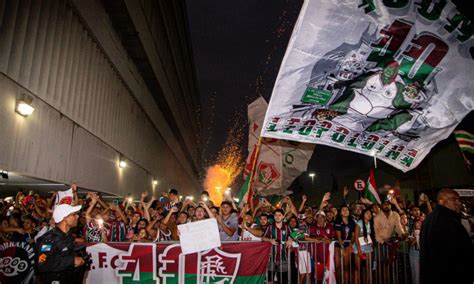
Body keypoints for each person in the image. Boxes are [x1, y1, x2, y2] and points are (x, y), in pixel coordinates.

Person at [420, 188, 473, 284]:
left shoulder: (429, 219)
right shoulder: (450, 221)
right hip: (451, 275)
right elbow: (463, 251)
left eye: (458, 199)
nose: (458, 203)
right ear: (441, 201)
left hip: (432, 275)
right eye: (453, 199)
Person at [36, 204, 86, 284]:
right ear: (65, 218)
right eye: (74, 214)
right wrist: (72, 261)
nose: (77, 216)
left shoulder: (67, 236)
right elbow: (43, 264)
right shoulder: (49, 239)